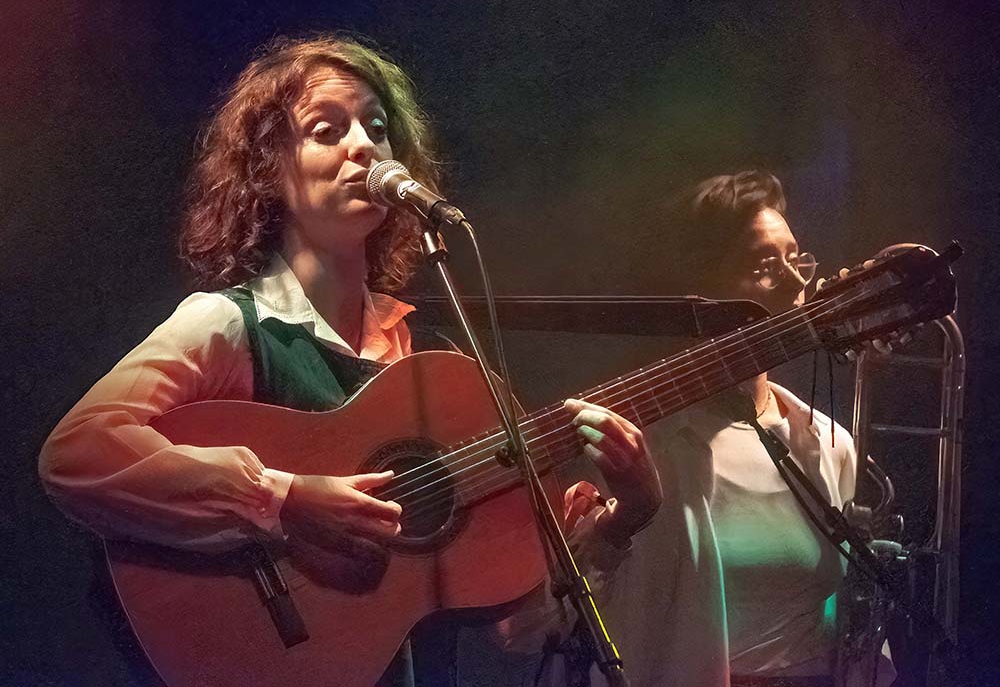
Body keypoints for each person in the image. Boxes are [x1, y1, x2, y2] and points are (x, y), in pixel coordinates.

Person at [37, 34, 662, 687]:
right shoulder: (229, 324)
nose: (364, 146)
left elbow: (519, 629)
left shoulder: (434, 367)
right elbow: (77, 453)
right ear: (269, 170)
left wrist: (624, 519)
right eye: (327, 130)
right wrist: (283, 499)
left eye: (377, 127)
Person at [491, 170, 891, 687]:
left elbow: (838, 617)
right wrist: (619, 522)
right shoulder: (633, 445)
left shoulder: (828, 443)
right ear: (701, 293)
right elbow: (523, 630)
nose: (797, 284)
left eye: (797, 259)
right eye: (764, 266)